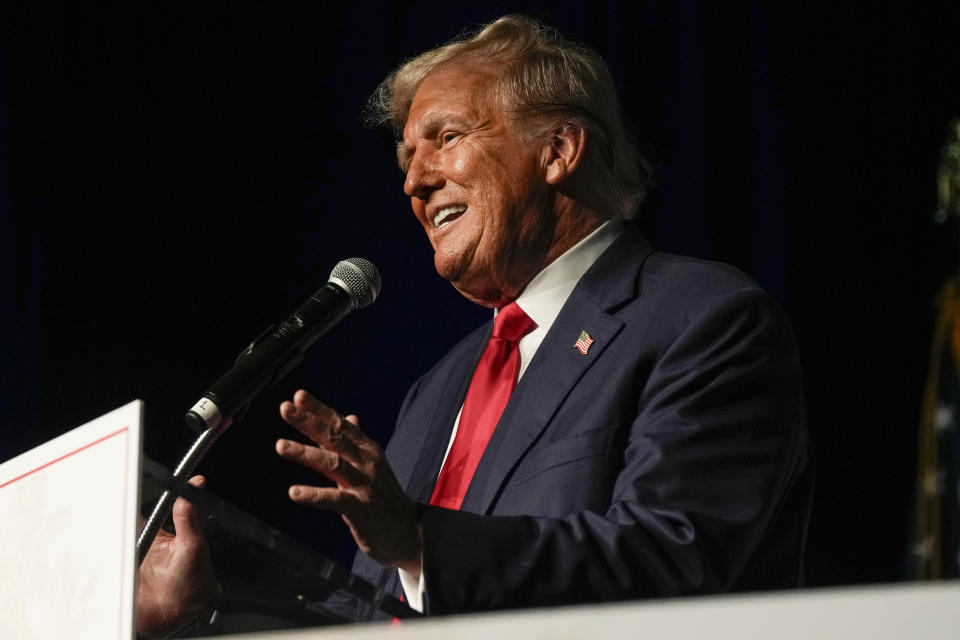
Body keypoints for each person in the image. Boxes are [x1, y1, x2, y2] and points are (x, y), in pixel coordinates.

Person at [137, 14, 811, 635]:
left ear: (559, 150)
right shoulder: (438, 389)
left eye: (447, 138)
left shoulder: (703, 319)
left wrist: (420, 540)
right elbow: (373, 619)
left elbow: (674, 558)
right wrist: (204, 609)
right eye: (406, 161)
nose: (415, 182)